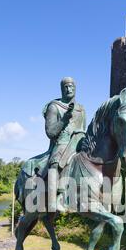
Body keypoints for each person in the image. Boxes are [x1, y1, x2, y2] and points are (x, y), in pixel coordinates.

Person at [44, 77, 86, 210]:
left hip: (79, 141)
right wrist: (64, 120)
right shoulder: (54, 106)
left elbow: (83, 129)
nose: (69, 89)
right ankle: (53, 200)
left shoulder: (81, 109)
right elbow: (50, 132)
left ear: (75, 88)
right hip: (62, 142)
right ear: (62, 90)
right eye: (65, 87)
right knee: (55, 162)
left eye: (71, 86)